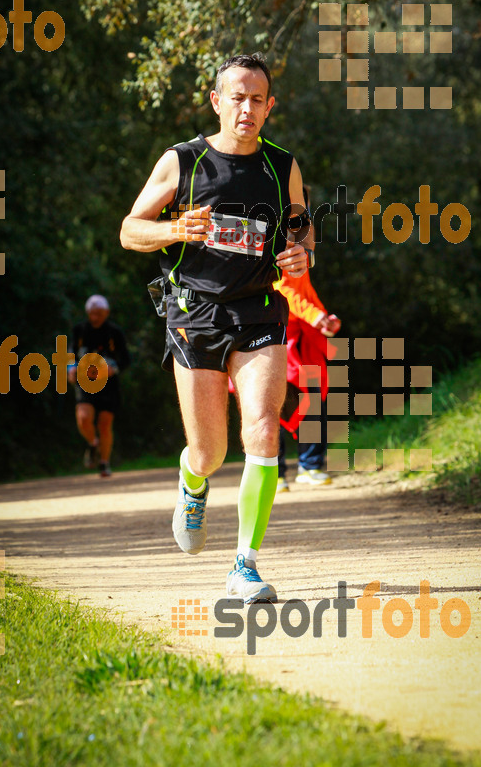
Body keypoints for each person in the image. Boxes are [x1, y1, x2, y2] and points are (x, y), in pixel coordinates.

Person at [120, 53, 313, 604]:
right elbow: (130, 231)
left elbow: (301, 233)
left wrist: (301, 256)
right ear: (216, 101)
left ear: (270, 106)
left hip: (257, 310)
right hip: (193, 312)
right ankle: (193, 479)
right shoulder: (183, 161)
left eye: (257, 99)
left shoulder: (283, 166)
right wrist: (176, 228)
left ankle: (244, 565)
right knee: (210, 451)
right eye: (236, 97)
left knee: (263, 427)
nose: (246, 108)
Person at [274, 269, 341, 491]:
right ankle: (273, 473)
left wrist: (321, 317)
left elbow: (304, 290)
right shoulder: (272, 239)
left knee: (312, 399)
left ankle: (310, 466)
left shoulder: (301, 240)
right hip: (273, 333)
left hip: (304, 336)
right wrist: (314, 315)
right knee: (273, 404)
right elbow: (280, 288)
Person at [68, 295, 130, 477]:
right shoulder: (79, 330)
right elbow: (70, 352)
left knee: (105, 423)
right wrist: (70, 368)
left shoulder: (114, 332)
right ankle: (93, 443)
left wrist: (114, 368)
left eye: (99, 313)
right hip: (85, 381)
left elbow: (125, 358)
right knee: (83, 418)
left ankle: (104, 463)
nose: (95, 317)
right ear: (88, 313)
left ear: (106, 313)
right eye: (92, 313)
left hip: (108, 384)